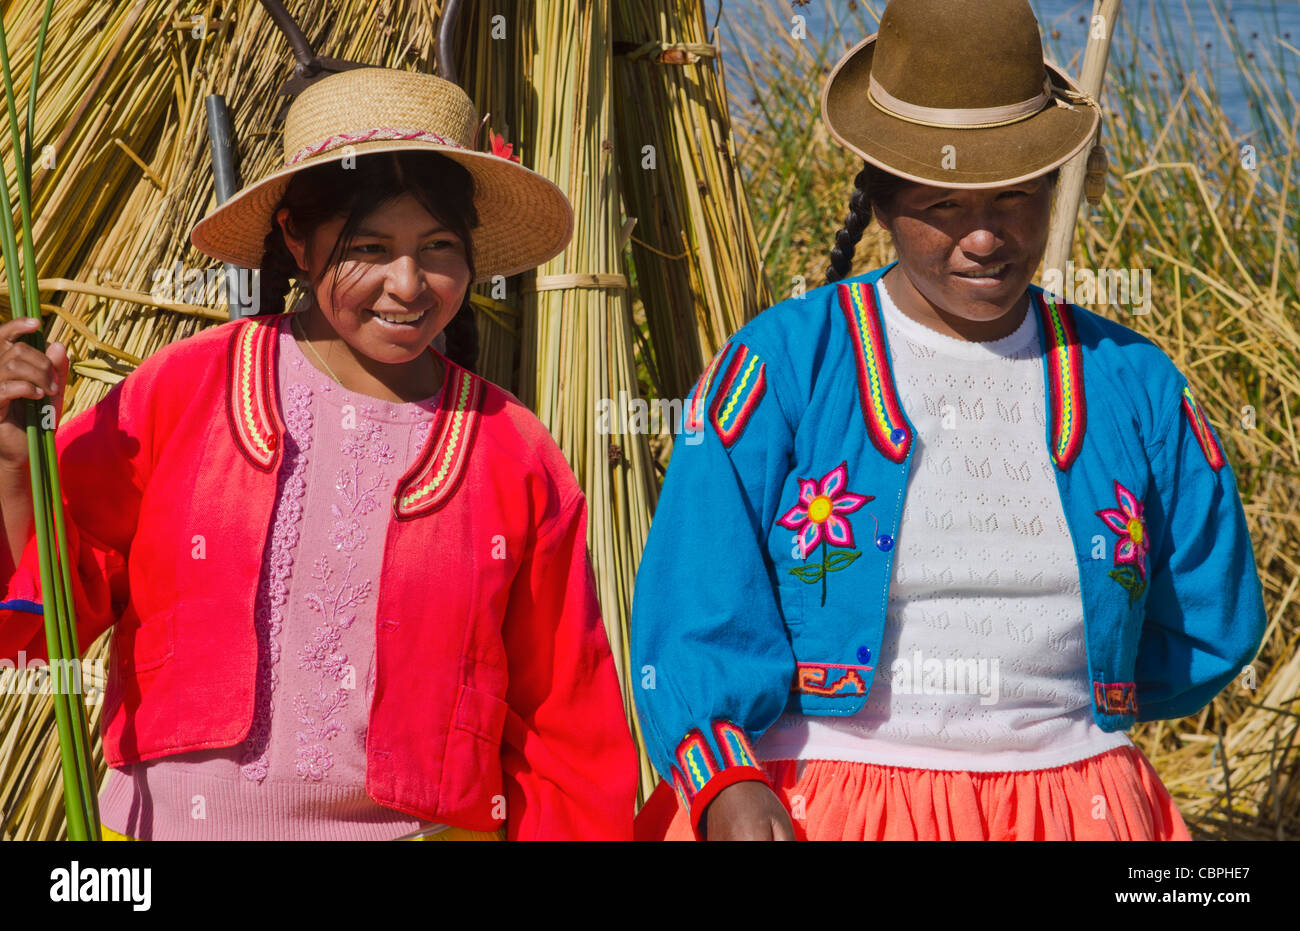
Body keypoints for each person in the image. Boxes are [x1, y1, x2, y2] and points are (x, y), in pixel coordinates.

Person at [630, 0, 1267, 841]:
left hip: (1074, 808)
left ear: (1052, 188)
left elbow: (1213, 619)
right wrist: (724, 782)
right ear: (884, 201)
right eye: (941, 206)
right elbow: (695, 599)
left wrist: (1063, 709)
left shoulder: (1134, 386)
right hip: (827, 803)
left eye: (1013, 198)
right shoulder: (786, 364)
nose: (982, 238)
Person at [0, 67, 637, 840]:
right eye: (370, 248)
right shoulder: (182, 390)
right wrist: (10, 465)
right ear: (298, 241)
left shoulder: (514, 452)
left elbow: (564, 722)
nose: (408, 284)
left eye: (438, 249)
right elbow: (41, 617)